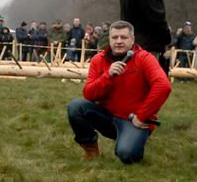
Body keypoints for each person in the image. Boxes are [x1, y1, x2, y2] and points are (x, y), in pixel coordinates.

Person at [66, 21, 171, 163]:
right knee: (75, 106)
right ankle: (91, 150)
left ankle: (132, 143)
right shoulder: (99, 60)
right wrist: (107, 76)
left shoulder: (145, 58)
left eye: (124, 37)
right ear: (109, 39)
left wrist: (141, 116)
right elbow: (89, 94)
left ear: (132, 40)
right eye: (115, 38)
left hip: (133, 121)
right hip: (107, 117)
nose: (119, 41)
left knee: (127, 155)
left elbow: (163, 86)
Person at [120, 0, 172, 72]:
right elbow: (158, 20)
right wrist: (167, 40)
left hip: (132, 46)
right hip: (149, 48)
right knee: (154, 85)